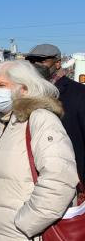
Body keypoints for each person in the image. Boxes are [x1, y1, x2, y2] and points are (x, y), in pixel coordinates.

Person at [0, 60, 79, 241]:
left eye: (2, 85)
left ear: (24, 88)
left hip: (27, 236)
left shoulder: (41, 120)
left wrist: (26, 223)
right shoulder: (0, 125)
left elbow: (60, 179)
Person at [26, 44, 85, 180]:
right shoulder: (27, 93)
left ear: (57, 63)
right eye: (31, 61)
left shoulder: (78, 93)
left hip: (71, 178)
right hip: (35, 176)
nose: (35, 65)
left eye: (41, 61)